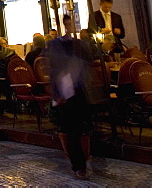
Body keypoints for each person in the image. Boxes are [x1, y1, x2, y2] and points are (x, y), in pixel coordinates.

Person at [48, 14, 93, 179]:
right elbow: (53, 71)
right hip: (66, 92)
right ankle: (79, 166)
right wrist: (57, 94)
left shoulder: (80, 45)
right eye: (66, 25)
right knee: (73, 130)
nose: (69, 28)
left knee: (79, 128)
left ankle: (81, 164)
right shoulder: (55, 45)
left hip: (80, 90)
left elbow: (89, 63)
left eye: (71, 24)